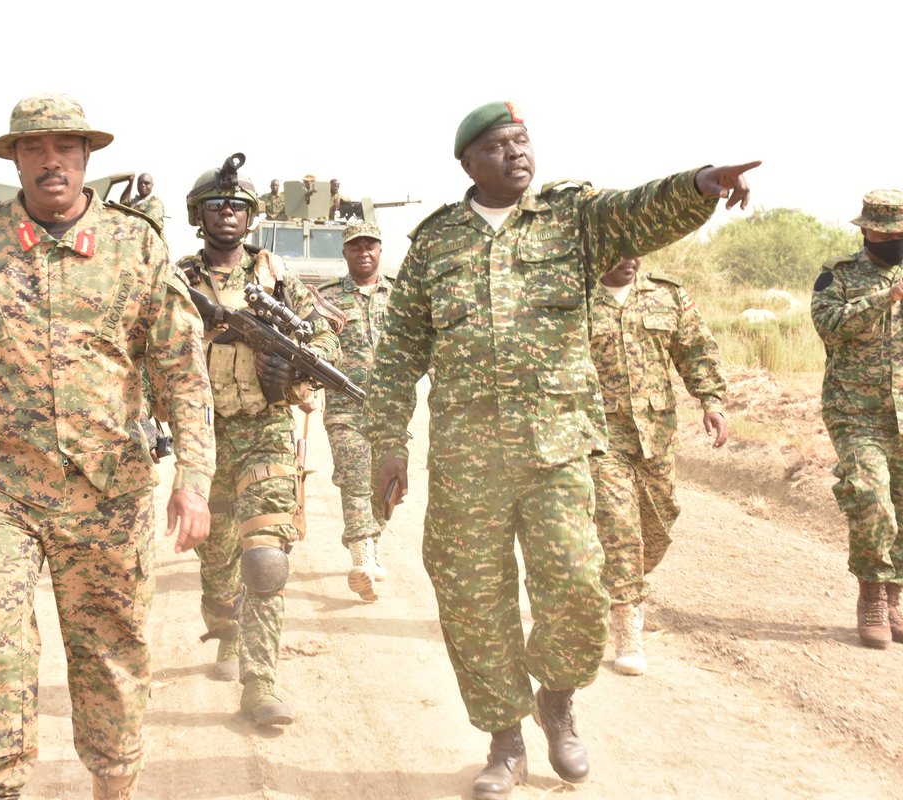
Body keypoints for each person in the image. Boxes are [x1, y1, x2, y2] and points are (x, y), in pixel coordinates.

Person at [366, 100, 758, 799]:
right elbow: (397, 352)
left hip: (558, 453)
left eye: (522, 139)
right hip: (467, 465)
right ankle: (505, 740)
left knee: (579, 590)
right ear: (468, 163)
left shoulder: (573, 219)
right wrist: (388, 443)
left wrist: (701, 183)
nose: (516, 152)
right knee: (472, 601)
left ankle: (557, 699)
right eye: (497, 145)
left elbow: (642, 211)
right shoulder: (435, 244)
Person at [0, 93, 215, 800]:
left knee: (111, 654)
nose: (50, 161)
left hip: (108, 489)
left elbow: (181, 371)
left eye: (65, 147)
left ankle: (114, 784)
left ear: (87, 157)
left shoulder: (135, 245)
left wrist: (193, 478)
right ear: (15, 159)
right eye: (33, 148)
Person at [177, 155, 340, 726]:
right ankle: (225, 628)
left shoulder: (278, 278)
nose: (228, 213)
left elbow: (326, 340)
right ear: (198, 215)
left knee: (265, 559)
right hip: (202, 433)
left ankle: (261, 682)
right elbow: (143, 342)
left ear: (251, 218)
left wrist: (292, 369)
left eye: (238, 206)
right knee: (217, 556)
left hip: (264, 430)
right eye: (217, 205)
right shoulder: (177, 279)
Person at [589, 256, 727, 676]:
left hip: (656, 436)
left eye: (637, 250)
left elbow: (696, 350)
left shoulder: (667, 295)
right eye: (619, 250)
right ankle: (627, 624)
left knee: (658, 526)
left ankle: (612, 583)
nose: (630, 260)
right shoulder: (577, 298)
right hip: (600, 436)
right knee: (618, 526)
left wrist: (711, 401)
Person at [811, 189, 903, 650]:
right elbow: (828, 325)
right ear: (867, 230)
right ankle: (871, 595)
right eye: (886, 234)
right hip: (854, 411)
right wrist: (886, 298)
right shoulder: (839, 274)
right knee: (871, 495)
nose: (893, 241)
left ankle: (895, 597)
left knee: (900, 506)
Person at [317, 221, 393, 601]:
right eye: (355, 247)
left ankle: (373, 544)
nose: (363, 252)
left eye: (370, 246)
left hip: (391, 411)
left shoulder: (400, 295)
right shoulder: (327, 298)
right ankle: (361, 557)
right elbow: (316, 344)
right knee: (356, 478)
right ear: (344, 252)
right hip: (345, 408)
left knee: (385, 485)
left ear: (379, 250)